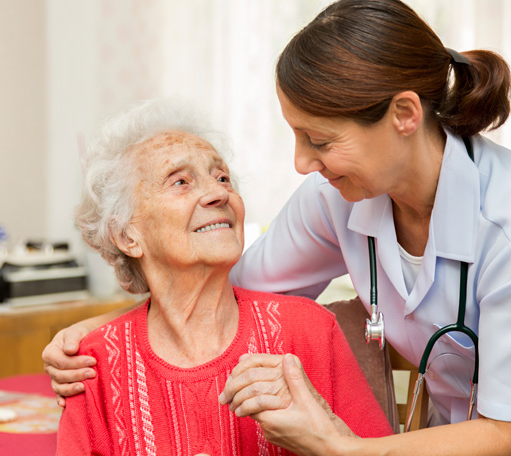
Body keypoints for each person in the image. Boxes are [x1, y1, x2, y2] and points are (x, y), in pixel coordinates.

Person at [44, 0, 511, 453]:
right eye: (296, 135)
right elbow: (220, 291)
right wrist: (105, 332)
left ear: (405, 115)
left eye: (320, 140)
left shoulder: (502, 220)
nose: (301, 162)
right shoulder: (335, 198)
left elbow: (504, 430)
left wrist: (339, 450)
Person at [54, 99, 393, 455]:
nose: (219, 193)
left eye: (222, 178)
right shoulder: (92, 364)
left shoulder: (310, 331)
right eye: (181, 182)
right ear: (126, 236)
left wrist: (319, 428)